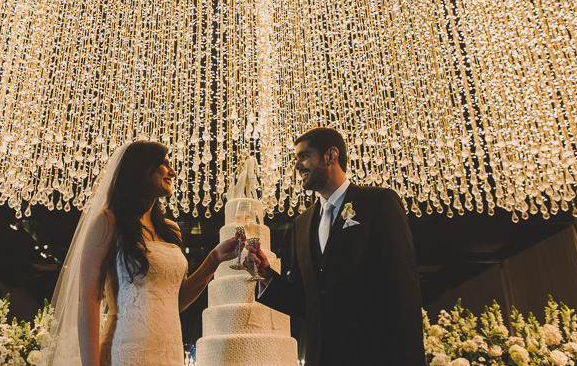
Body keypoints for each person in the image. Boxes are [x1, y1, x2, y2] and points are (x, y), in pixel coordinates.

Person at [43, 141, 240, 366]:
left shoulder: (170, 229)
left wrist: (214, 260)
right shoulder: (109, 221)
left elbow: (175, 300)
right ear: (142, 168)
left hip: (169, 352)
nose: (173, 172)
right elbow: (88, 298)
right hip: (125, 351)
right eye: (165, 164)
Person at [245, 128, 424, 366]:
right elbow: (305, 302)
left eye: (304, 156)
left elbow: (404, 291)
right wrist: (266, 275)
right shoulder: (301, 224)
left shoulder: (378, 203)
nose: (297, 165)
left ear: (331, 155)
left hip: (373, 356)